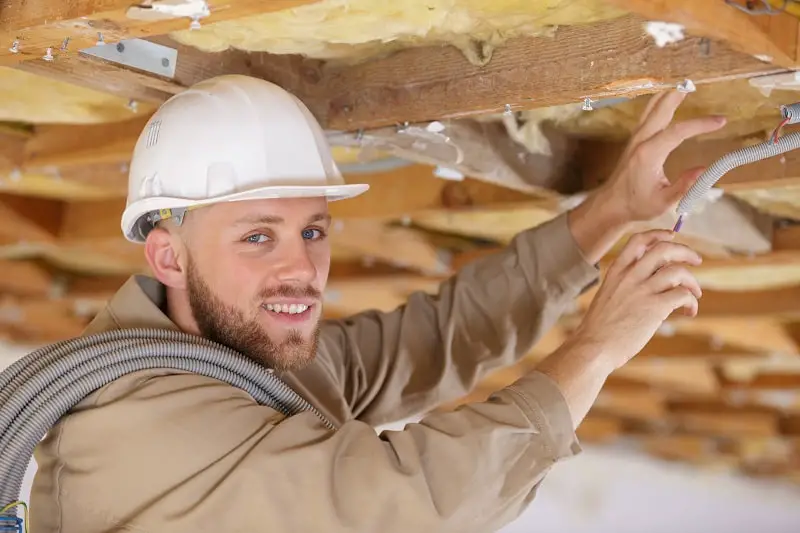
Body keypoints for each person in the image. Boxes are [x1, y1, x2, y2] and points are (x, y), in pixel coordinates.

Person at [30, 75, 725, 532]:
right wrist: (596, 346)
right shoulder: (146, 424)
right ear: (167, 256)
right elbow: (410, 500)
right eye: (257, 237)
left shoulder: (237, 359)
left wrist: (609, 213)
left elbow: (438, 338)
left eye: (311, 230)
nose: (301, 267)